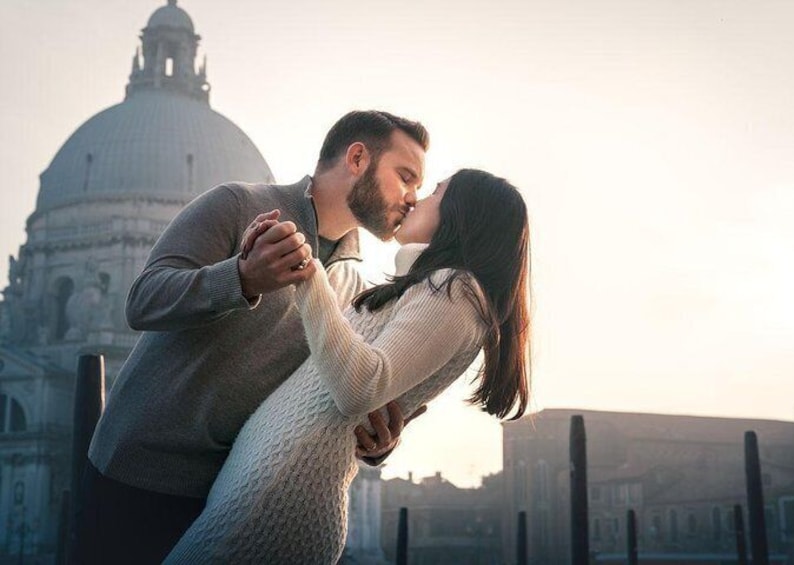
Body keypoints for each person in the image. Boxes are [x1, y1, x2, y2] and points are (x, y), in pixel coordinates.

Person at [74, 110, 430, 564]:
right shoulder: (237, 204)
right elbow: (143, 300)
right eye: (405, 177)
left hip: (234, 502)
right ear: (357, 158)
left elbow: (329, 395)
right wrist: (241, 278)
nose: (413, 199)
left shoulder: (356, 289)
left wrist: (377, 442)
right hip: (135, 477)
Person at [164, 168, 531, 564]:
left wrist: (307, 275)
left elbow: (361, 388)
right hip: (264, 485)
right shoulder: (428, 287)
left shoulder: (455, 290)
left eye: (434, 194)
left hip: (281, 494)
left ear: (461, 216)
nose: (415, 200)